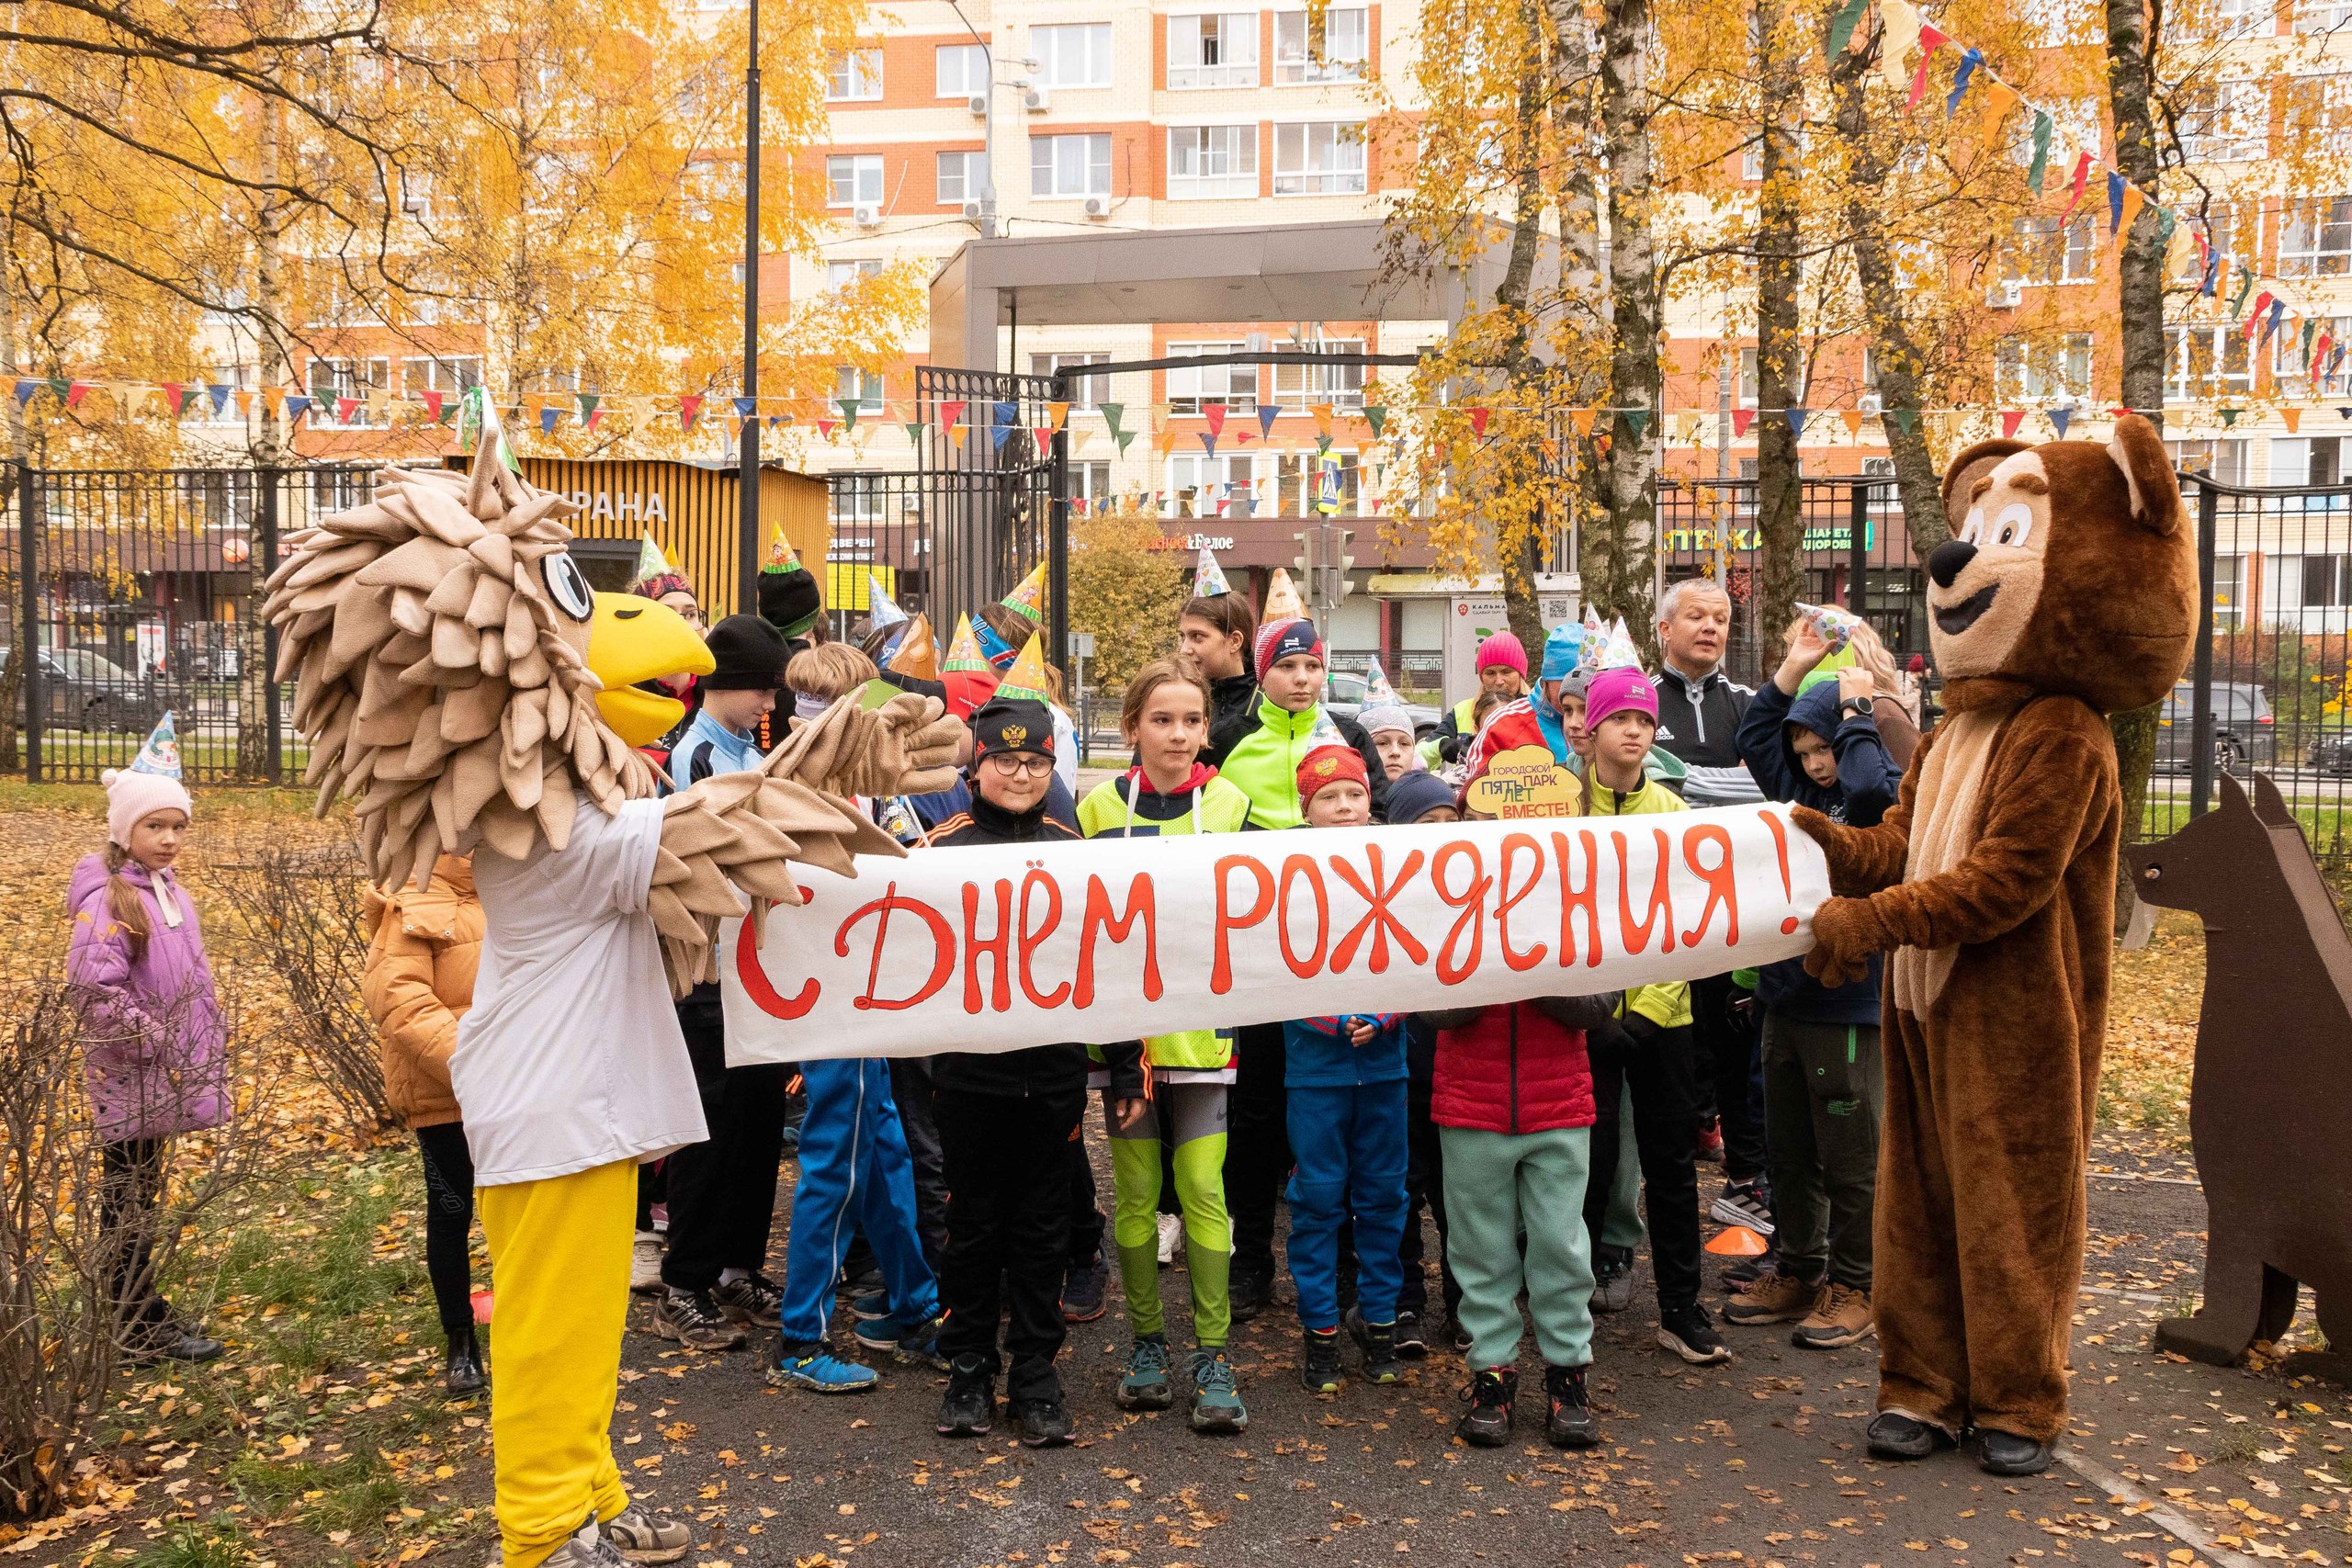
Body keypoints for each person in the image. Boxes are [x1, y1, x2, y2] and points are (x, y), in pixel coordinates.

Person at [1076, 659, 1253, 1433]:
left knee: (1206, 1191)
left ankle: (1213, 1354)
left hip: (1207, 1038)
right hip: (1128, 1043)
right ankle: (1148, 1346)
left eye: (1190, 720)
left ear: (1205, 727)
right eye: (1161, 720)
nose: (1178, 734)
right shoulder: (1092, 810)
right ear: (1131, 728)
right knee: (1139, 1198)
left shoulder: (1233, 801)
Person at [1727, 619, 1902, 1351]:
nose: (1816, 764)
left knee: (1850, 1153)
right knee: (1789, 1148)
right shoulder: (1798, 788)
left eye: (1822, 748)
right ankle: (1799, 1268)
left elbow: (1866, 793)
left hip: (1848, 1005)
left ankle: (1857, 1283)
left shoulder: (1878, 788)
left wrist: (1857, 718)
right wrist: (1795, 667)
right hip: (1786, 998)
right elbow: (1755, 734)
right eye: (1805, 752)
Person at [1212, 617, 1390, 1317]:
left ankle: (1346, 1269)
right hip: (1262, 954)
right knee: (1256, 1115)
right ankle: (1251, 1258)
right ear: (1263, 672)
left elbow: (1386, 824)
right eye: (1288, 667)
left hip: (1342, 952)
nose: (1302, 679)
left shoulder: (1348, 735)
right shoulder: (1229, 737)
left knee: (1339, 1114)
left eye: (1312, 667)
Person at [926, 695, 1091, 1448]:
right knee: (972, 1226)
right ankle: (966, 1368)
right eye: (1005, 760)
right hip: (968, 1076)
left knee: (1042, 1228)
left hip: (1052, 1076)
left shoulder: (1072, 841)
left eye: (1036, 762)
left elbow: (1106, 958)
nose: (1021, 774)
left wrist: (1119, 1067)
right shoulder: (940, 847)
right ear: (977, 766)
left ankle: (1034, 1373)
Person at [1576, 667, 1731, 1366]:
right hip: (1583, 1020)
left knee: (1670, 1166)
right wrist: (1594, 1014)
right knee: (1585, 1166)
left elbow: (1688, 923)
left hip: (1662, 1022)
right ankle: (1567, 1302)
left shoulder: (1673, 811)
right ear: (1593, 728)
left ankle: (1679, 1307)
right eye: (1620, 719)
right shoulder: (1562, 808)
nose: (1634, 731)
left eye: (1644, 721)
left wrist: (1649, 1008)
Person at [650, 616, 797, 1352]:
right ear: (725, 682)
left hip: (757, 968)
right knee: (708, 1126)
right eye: (762, 687)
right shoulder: (696, 755)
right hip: (708, 967)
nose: (769, 700)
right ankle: (685, 1280)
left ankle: (740, 1264)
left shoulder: (747, 745)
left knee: (758, 1123)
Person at [66, 739, 229, 1367]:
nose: (168, 838)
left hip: (165, 1076)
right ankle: (134, 1323)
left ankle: (141, 1307)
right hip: (131, 1075)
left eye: (178, 826)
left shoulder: (168, 891)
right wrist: (156, 1039)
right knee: (127, 1197)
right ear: (124, 829)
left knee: (141, 1195)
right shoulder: (111, 898)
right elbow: (93, 990)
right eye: (154, 825)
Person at [1418, 957, 1619, 1449]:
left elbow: (1597, 1005)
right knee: (1479, 1249)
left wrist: (1526, 971)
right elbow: (1431, 1008)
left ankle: (1568, 1376)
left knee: (1561, 1245)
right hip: (1471, 1102)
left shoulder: (1573, 907)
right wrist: (1497, 967)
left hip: (1558, 1107)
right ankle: (1492, 1376)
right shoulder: (1450, 909)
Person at [1283, 731, 1411, 1395]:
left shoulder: (1397, 865)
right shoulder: (1285, 875)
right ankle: (1321, 1330)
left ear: (1371, 801)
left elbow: (1417, 953)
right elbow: (1273, 966)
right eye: (1327, 796)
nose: (1342, 806)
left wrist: (1385, 1016)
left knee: (1385, 1196)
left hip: (1385, 1068)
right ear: (1305, 808)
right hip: (1317, 1071)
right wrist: (1331, 1021)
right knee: (1318, 1199)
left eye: (1353, 794)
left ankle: (1383, 1322)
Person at [1647, 579, 1773, 1242]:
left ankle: (1747, 1179)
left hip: (1733, 910)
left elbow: (1764, 786)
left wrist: (1687, 784)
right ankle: (1659, 1176)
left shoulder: (1749, 705)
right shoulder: (1640, 700)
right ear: (1663, 628)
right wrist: (1724, 790)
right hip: (1660, 910)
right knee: (1671, 1043)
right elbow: (1644, 783)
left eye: (1721, 618)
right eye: (1695, 616)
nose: (1711, 627)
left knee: (1733, 1042)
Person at [361, 852, 489, 1395]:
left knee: (524, 1207)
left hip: (523, 1088)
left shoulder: (514, 889)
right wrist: (474, 1064)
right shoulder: (409, 897)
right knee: (452, 1210)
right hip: (449, 1092)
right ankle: (460, 1340)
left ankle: (531, 1327)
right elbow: (399, 998)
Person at [1383, 770, 1463, 1358]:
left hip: (1456, 1072)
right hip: (1398, 1071)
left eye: (1448, 824)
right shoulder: (1385, 899)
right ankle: (1406, 1300)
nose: (1438, 836)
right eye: (1424, 825)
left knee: (1459, 1196)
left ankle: (1464, 1303)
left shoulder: (1473, 898)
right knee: (1402, 1193)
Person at [1176, 592, 1260, 768]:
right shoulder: (1174, 696)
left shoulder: (1267, 703)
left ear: (1235, 641)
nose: (1184, 649)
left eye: (1197, 637)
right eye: (1182, 637)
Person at [1435, 631, 1527, 761]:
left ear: (1520, 674)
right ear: (1482, 677)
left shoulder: (1538, 712)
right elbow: (1420, 751)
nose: (1499, 681)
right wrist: (1442, 745)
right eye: (1490, 673)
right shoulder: (1463, 710)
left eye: (1506, 672)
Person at [1358, 700, 1424, 783]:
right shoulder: (1343, 794)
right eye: (1382, 743)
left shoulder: (1428, 793)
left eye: (1404, 744)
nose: (1395, 752)